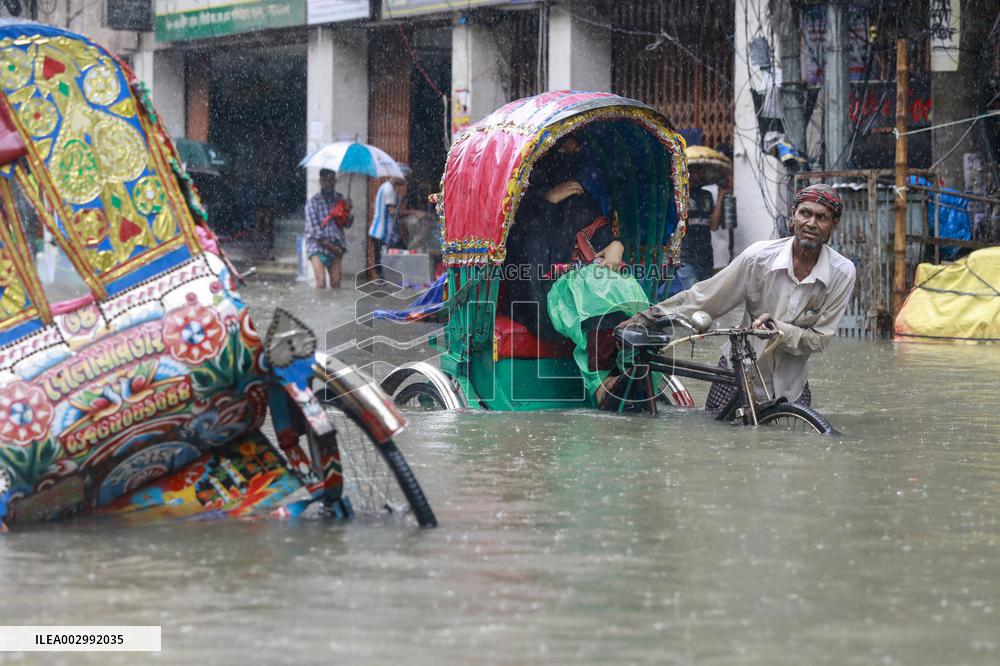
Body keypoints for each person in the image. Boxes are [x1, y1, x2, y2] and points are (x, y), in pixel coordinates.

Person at [620, 183, 857, 407]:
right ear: (793, 215)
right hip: (739, 368)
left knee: (798, 442)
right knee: (717, 435)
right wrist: (649, 316)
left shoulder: (842, 273)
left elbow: (819, 339)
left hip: (791, 382)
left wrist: (777, 329)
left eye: (821, 217)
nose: (811, 223)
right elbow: (707, 296)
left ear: (833, 224)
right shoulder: (759, 258)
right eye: (805, 213)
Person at [504, 133, 649, 410]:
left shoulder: (581, 198)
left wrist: (616, 245)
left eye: (576, 146)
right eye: (563, 147)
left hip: (583, 290)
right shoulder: (524, 204)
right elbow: (522, 262)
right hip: (537, 298)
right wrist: (545, 202)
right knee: (592, 287)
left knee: (622, 285)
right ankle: (601, 384)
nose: (572, 151)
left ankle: (628, 367)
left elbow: (605, 240)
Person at [675, 156, 728, 290]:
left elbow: (714, 225)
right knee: (693, 298)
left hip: (705, 256)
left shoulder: (706, 195)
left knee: (705, 298)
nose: (696, 175)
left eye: (700, 172)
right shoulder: (678, 195)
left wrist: (721, 195)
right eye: (693, 172)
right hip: (686, 257)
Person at [304, 169, 352, 289]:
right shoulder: (313, 202)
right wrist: (332, 247)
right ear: (321, 181)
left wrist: (348, 210)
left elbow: (346, 224)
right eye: (326, 180)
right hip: (317, 246)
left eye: (332, 180)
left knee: (336, 283)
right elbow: (314, 231)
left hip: (336, 244)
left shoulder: (340, 199)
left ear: (335, 181)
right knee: (321, 282)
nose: (329, 183)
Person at [368, 164, 411, 275]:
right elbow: (392, 212)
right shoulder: (389, 189)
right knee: (383, 261)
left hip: (380, 231)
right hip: (382, 232)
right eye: (405, 178)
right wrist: (413, 213)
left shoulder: (386, 187)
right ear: (399, 176)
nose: (405, 182)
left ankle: (384, 280)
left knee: (383, 259)